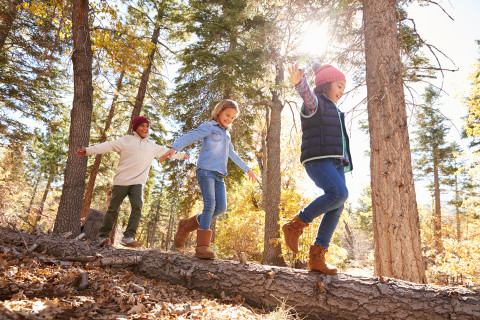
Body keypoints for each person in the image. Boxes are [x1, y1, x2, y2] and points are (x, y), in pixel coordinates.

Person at [161, 99, 257, 259]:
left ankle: (186, 225)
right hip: (205, 171)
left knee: (221, 208)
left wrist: (247, 169)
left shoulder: (226, 134)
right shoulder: (209, 127)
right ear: (219, 111)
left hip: (219, 175)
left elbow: (232, 154)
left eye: (233, 117)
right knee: (210, 205)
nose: (229, 119)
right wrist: (174, 148)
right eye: (227, 115)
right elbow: (190, 136)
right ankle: (202, 246)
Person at [282, 63, 353, 274]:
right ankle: (295, 225)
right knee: (339, 193)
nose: (342, 91)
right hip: (318, 159)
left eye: (344, 88)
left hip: (336, 162)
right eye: (339, 86)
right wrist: (299, 83)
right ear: (325, 85)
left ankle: (317, 257)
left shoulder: (335, 110)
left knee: (337, 204)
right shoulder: (316, 103)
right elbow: (307, 95)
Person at [76, 116, 188, 248]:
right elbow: (107, 146)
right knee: (113, 209)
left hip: (137, 183)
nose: (145, 129)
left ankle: (128, 236)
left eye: (147, 126)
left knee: (138, 205)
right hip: (121, 181)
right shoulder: (126, 140)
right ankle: (103, 236)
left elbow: (167, 151)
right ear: (135, 127)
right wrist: (88, 150)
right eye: (142, 126)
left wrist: (182, 155)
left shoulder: (151, 146)